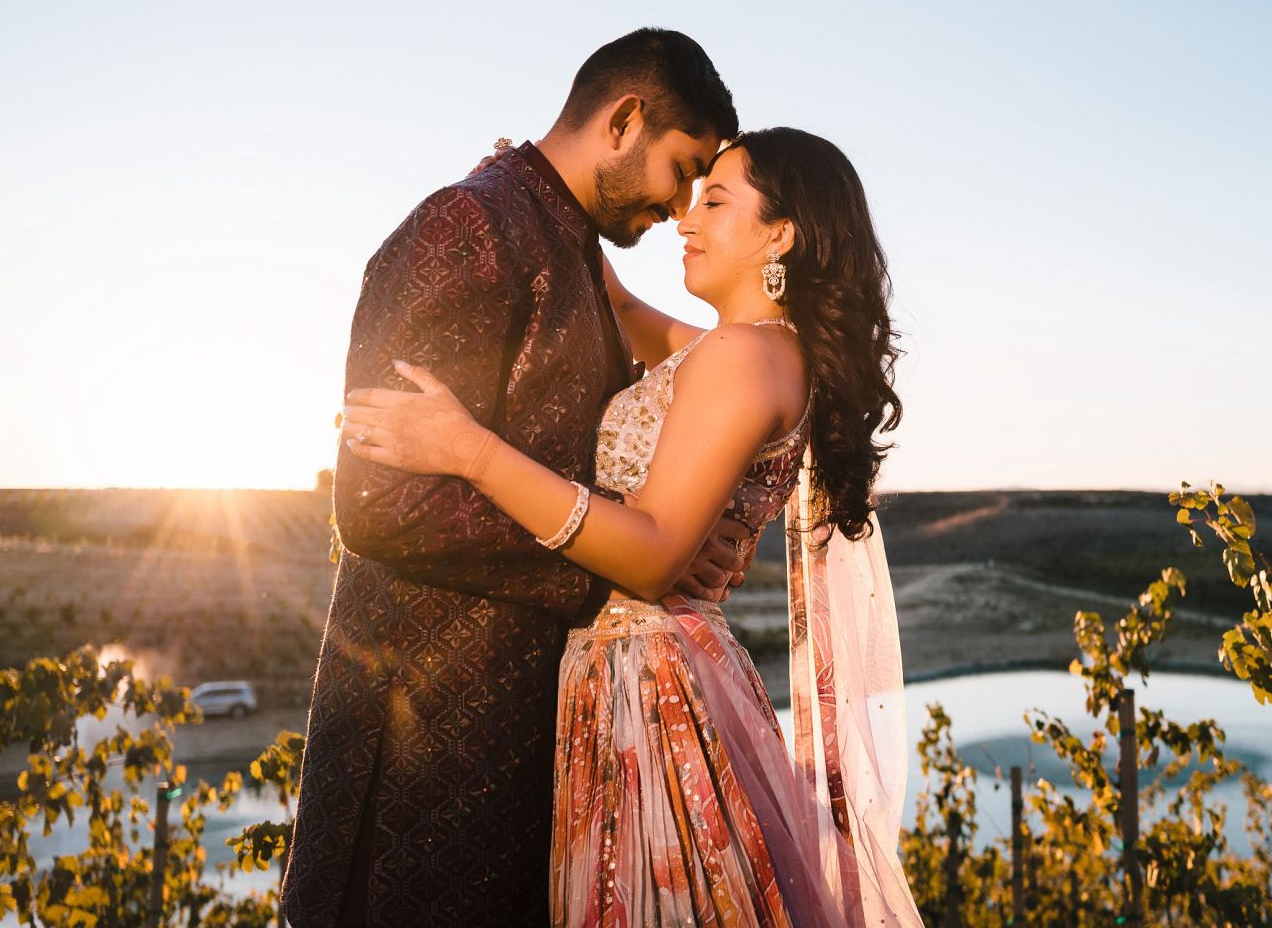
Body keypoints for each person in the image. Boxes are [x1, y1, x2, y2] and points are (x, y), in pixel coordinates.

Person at [342, 127, 924, 926]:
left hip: (648, 682)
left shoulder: (743, 360)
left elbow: (651, 555)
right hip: (659, 666)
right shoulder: (746, 352)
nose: (686, 220)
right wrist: (532, 184)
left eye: (715, 201)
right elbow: (617, 303)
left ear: (781, 233)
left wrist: (468, 450)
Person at [283, 28, 758, 925]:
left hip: (525, 740)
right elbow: (381, 502)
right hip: (419, 744)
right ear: (624, 120)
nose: (683, 205)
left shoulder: (574, 248)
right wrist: (615, 565)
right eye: (683, 168)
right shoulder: (469, 225)